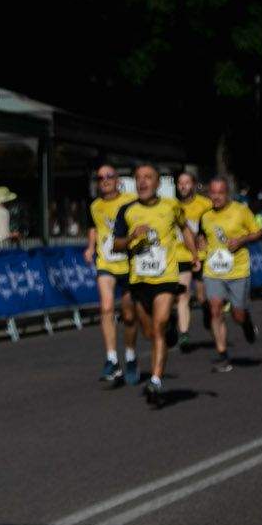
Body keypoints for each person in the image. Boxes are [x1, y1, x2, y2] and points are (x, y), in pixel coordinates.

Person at [112, 164, 195, 402]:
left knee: (157, 327)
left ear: (158, 184)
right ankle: (169, 329)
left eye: (148, 178)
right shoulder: (127, 211)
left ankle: (156, 380)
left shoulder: (171, 206)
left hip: (166, 277)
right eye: (138, 178)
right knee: (149, 331)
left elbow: (185, 229)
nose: (143, 182)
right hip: (139, 281)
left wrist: (195, 255)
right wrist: (131, 237)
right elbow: (115, 245)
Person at [198, 176, 261, 373]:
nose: (216, 197)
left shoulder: (241, 211)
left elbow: (258, 232)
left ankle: (246, 322)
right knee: (215, 308)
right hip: (213, 270)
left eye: (220, 193)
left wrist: (241, 240)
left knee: (238, 314)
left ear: (227, 193)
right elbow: (202, 236)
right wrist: (199, 251)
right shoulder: (206, 216)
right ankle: (223, 354)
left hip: (238, 270)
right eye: (212, 193)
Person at [85, 165, 135, 385]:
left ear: (117, 180)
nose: (104, 180)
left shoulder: (131, 201)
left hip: (129, 264)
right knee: (106, 307)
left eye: (109, 176)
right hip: (106, 262)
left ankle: (131, 357)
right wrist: (90, 246)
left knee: (129, 316)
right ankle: (112, 360)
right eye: (100, 177)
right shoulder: (95, 206)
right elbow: (93, 227)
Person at [173, 169, 211, 351]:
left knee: (203, 295)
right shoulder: (173, 206)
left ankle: (206, 310)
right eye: (180, 183)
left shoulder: (205, 204)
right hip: (181, 255)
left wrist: (204, 237)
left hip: (202, 255)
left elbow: (213, 225)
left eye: (186, 182)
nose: (183, 186)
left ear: (194, 185)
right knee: (183, 294)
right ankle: (184, 334)